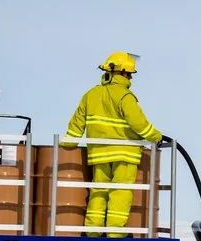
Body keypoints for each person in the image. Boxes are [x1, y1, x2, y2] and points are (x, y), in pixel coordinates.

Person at [64, 52, 164, 230]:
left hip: (99, 154)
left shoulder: (91, 95)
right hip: (124, 154)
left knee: (98, 191)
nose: (131, 78)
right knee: (120, 191)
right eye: (129, 74)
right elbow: (139, 123)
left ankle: (93, 230)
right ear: (123, 72)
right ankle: (115, 232)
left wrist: (68, 144)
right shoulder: (125, 96)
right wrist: (156, 137)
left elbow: (76, 123)